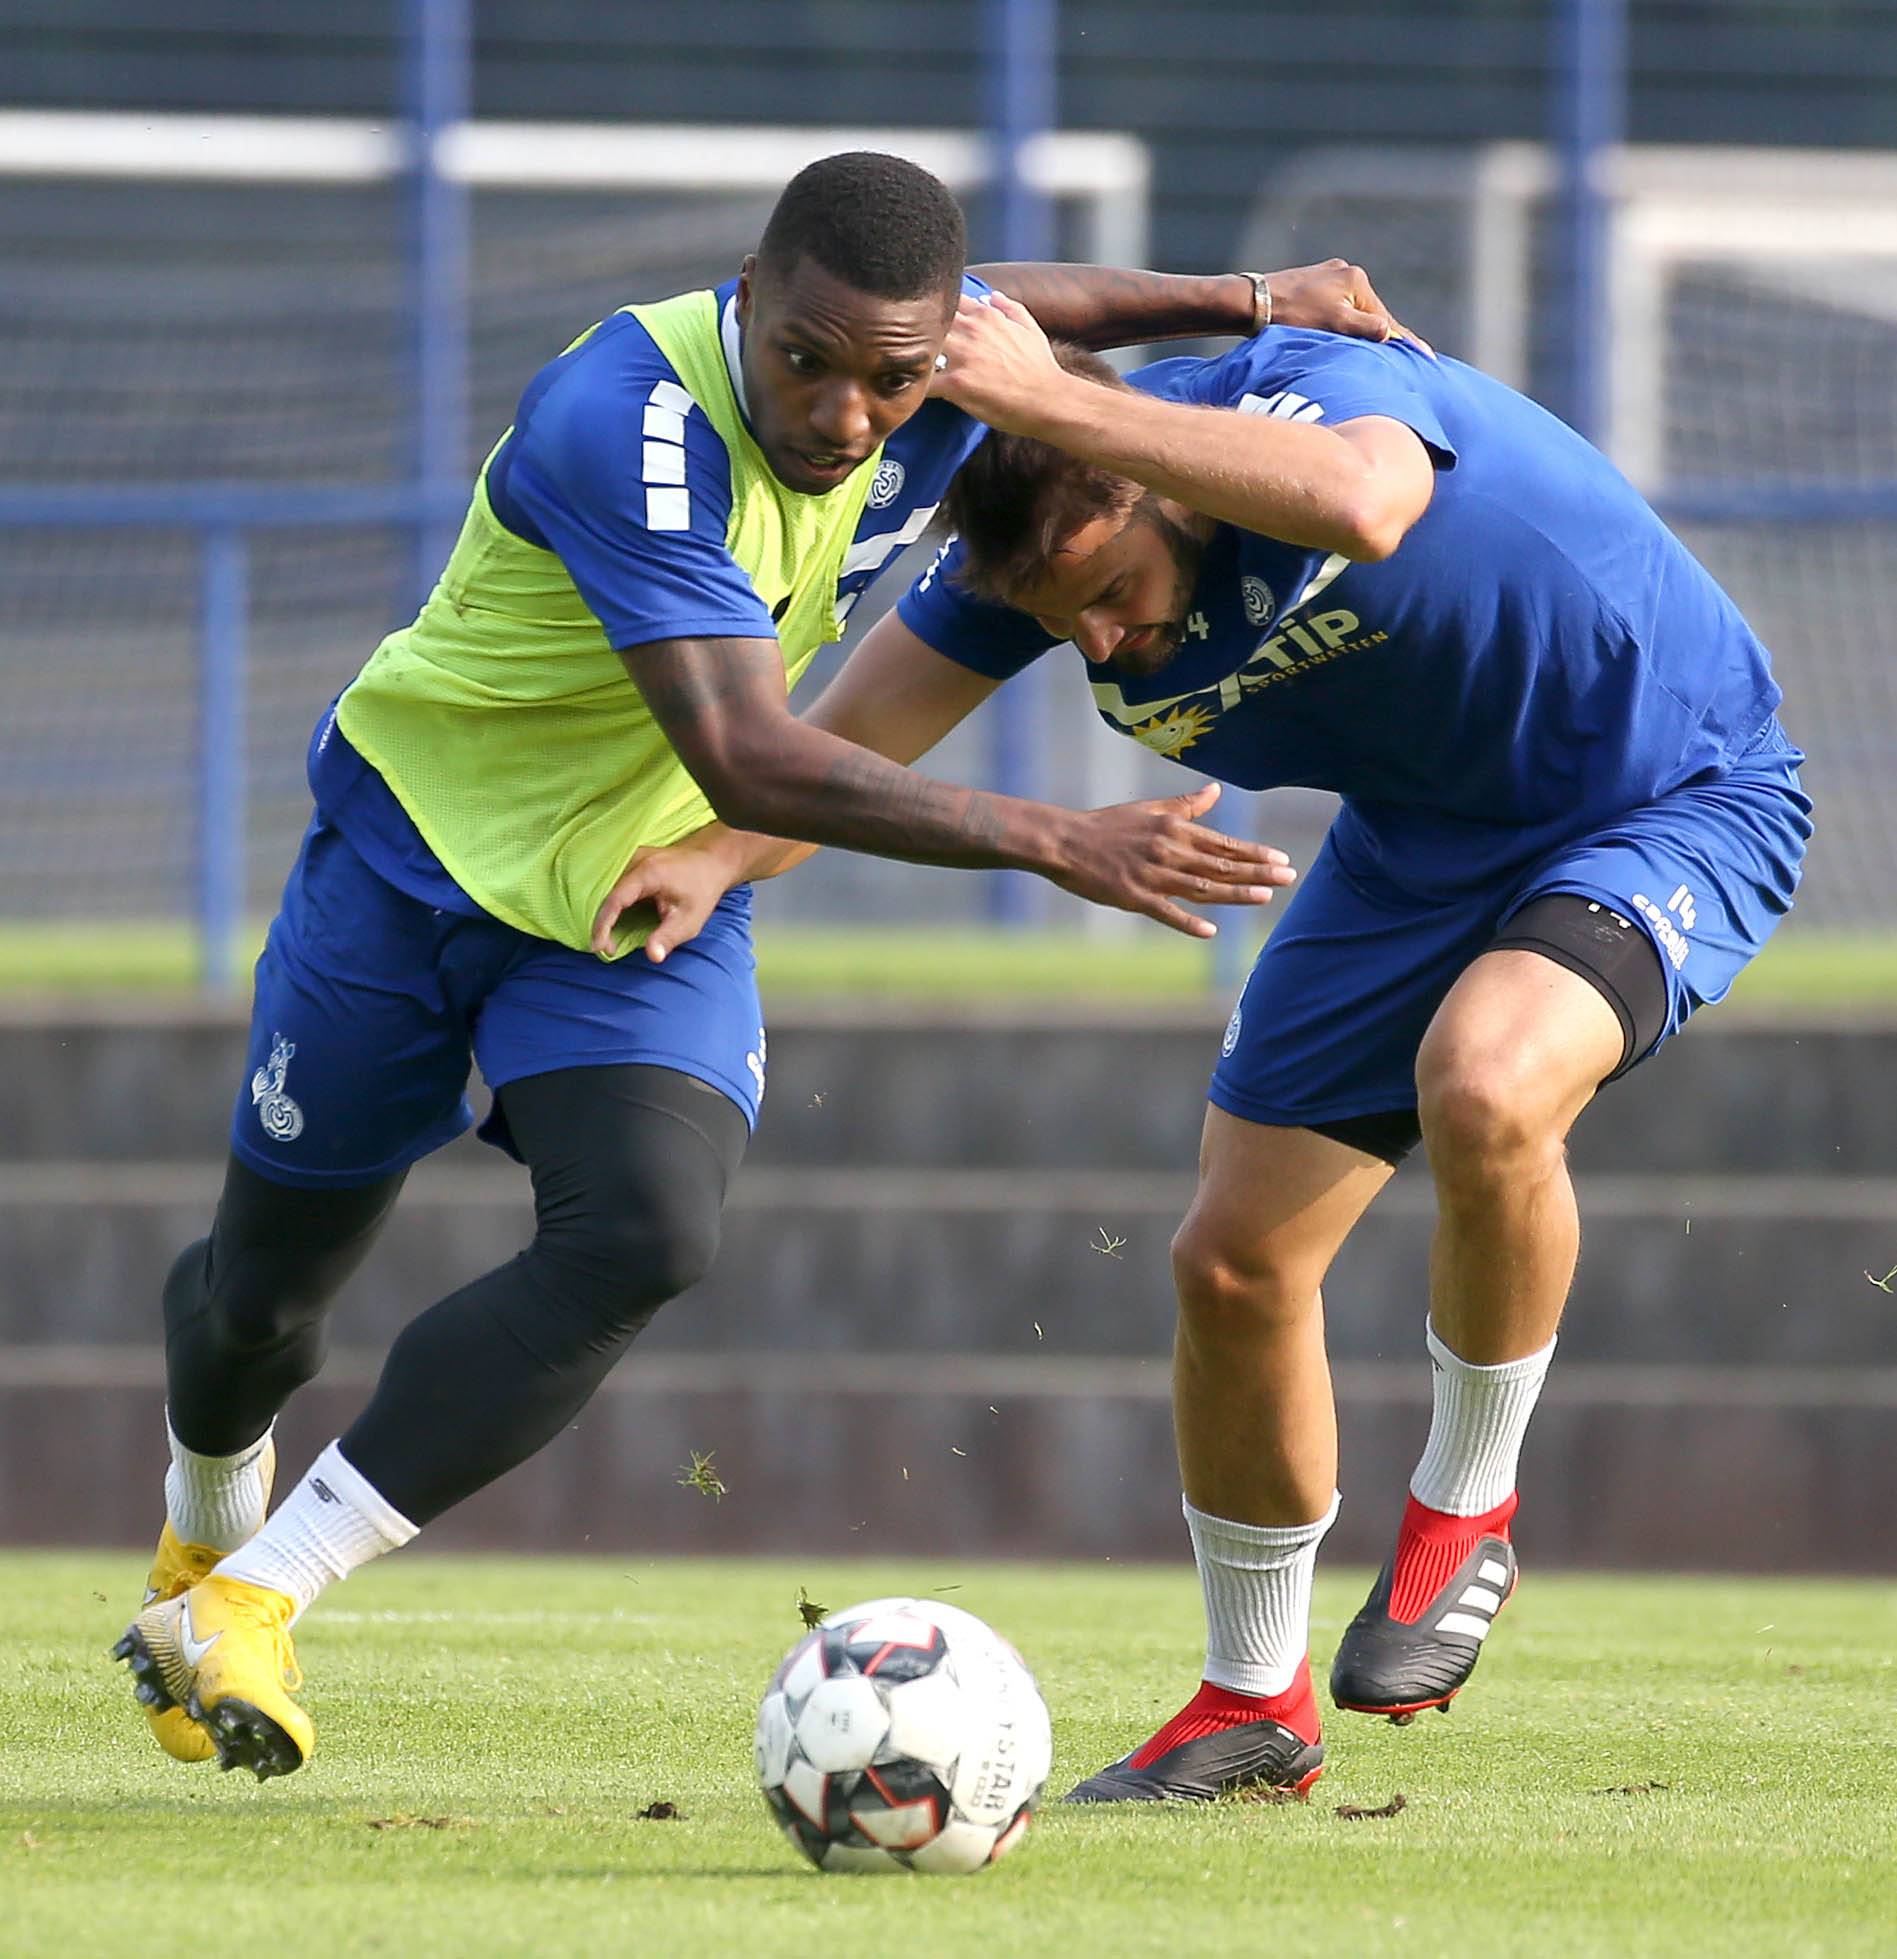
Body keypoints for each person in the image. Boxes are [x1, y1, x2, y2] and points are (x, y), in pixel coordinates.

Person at [113, 148, 1413, 1781]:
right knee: (260, 1310)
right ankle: (201, 1528)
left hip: (641, 892)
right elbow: (747, 757)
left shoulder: (924, 363)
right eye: (807, 361)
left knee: (648, 1228)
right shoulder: (624, 423)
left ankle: (255, 1599)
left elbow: (1030, 306)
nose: (845, 418)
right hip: (411, 866)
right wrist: (1055, 837)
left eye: (892, 377)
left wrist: (1241, 301)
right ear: (749, 292)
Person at [622, 284, 1811, 1802]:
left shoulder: (1293, 402)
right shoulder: (1033, 537)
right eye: (1062, 625)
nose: (1100, 640)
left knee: (1485, 1078)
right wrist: (709, 862)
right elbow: (838, 755)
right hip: (1415, 852)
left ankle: (1466, 1507)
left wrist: (1061, 404)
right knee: (1231, 1266)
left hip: (1672, 793)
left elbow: (1368, 505)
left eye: (1109, 587)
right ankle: (1252, 1708)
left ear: (1147, 480)